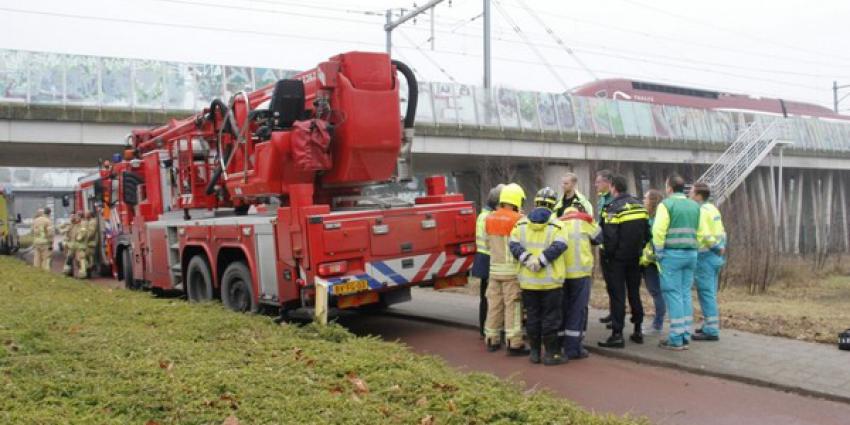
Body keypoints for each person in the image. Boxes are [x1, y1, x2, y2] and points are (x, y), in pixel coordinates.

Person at [510, 187, 568, 365]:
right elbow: (559, 246)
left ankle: (534, 353)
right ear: (554, 205)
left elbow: (513, 246)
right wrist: (540, 261)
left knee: (533, 317)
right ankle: (551, 354)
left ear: (535, 203)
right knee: (551, 318)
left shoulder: (520, 224)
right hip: (551, 283)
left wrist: (528, 261)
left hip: (528, 283)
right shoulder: (558, 225)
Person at [598, 175, 649, 348]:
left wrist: (608, 255)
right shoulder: (640, 206)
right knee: (634, 293)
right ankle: (638, 330)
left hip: (617, 260)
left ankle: (617, 334)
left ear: (613, 187)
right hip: (635, 258)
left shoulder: (612, 207)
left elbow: (610, 237)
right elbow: (647, 233)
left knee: (617, 296)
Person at [652, 174, 701, 351]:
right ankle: (685, 334)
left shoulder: (666, 204)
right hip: (692, 254)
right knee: (685, 294)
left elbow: (658, 230)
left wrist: (658, 251)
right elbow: (699, 231)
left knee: (672, 295)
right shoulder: (695, 206)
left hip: (672, 255)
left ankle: (676, 338)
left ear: (669, 188)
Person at [483, 183, 528, 355]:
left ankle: (491, 339)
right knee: (513, 307)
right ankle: (514, 343)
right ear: (516, 200)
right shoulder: (518, 220)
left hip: (494, 270)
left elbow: (487, 244)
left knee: (494, 305)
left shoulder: (489, 217)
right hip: (511, 272)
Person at [559, 206, 602, 359]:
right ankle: (573, 348)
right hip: (581, 273)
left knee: (563, 309)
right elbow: (599, 238)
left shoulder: (559, 223)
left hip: (562, 275)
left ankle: (561, 344)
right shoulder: (584, 221)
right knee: (578, 310)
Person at [690, 182, 726, 342]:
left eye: (691, 191)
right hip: (716, 257)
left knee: (705, 294)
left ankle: (711, 330)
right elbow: (722, 231)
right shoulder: (713, 209)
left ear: (698, 195)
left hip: (705, 255)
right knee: (710, 292)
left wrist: (715, 246)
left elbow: (703, 234)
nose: (689, 194)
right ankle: (708, 325)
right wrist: (721, 246)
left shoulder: (700, 211)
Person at [471, 184, 504, 338]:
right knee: (491, 298)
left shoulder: (483, 215)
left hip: (482, 258)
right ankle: (489, 330)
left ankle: (484, 329)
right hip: (490, 259)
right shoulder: (491, 217)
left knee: (485, 297)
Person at [640, 189, 666, 335]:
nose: (644, 201)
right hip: (647, 261)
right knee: (655, 292)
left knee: (657, 292)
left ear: (653, 201)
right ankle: (657, 323)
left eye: (646, 198)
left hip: (652, 262)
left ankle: (657, 325)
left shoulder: (656, 219)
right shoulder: (649, 217)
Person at [594, 170, 616, 326]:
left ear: (608, 183)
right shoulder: (601, 199)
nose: (596, 184)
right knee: (609, 282)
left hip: (612, 246)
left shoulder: (614, 198)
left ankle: (616, 314)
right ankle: (612, 311)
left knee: (615, 283)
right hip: (603, 245)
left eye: (598, 181)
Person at [74, 213, 92, 279]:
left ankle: (83, 273)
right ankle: (86, 271)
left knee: (81, 258)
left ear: (80, 217)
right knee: (81, 259)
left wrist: (78, 238)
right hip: (81, 244)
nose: (76, 218)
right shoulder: (81, 223)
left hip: (82, 244)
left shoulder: (83, 223)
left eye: (77, 216)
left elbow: (83, 232)